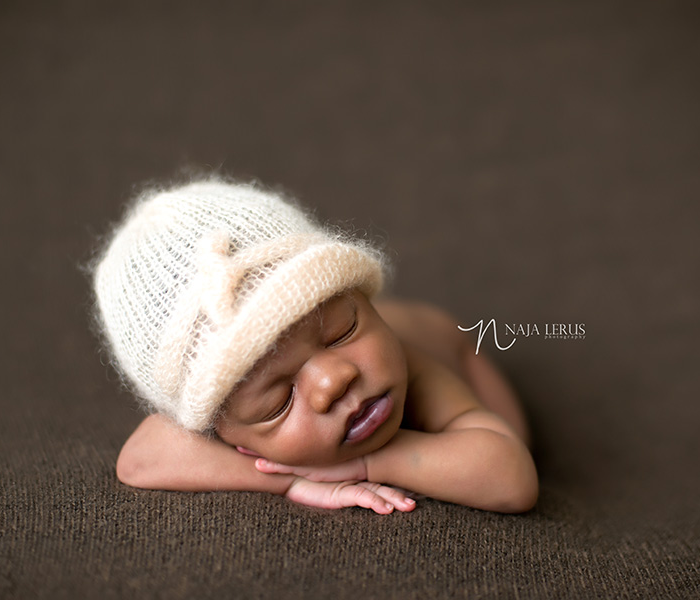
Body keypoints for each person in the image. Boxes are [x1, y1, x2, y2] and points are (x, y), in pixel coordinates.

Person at [93, 178, 537, 515]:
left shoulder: (412, 364)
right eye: (278, 401)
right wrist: (289, 481)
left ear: (362, 299)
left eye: (342, 331)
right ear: (223, 435)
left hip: (457, 347)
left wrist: (366, 465)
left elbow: (512, 476)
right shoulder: (219, 414)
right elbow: (139, 459)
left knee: (522, 443)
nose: (334, 380)